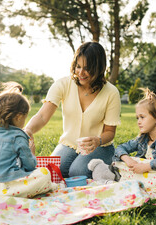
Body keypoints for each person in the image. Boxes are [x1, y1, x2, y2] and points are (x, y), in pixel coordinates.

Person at [24, 42, 121, 178]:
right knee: (51, 172)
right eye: (78, 66)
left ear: (99, 68)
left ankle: (110, 170)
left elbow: (110, 132)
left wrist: (97, 140)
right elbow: (42, 116)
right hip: (69, 144)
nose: (81, 73)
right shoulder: (63, 84)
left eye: (87, 68)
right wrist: (28, 130)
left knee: (78, 172)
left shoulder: (111, 92)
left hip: (100, 146)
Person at [0, 82, 56, 198]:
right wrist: (31, 152)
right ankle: (40, 188)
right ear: (18, 117)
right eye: (25, 118)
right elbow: (30, 165)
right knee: (44, 173)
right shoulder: (18, 136)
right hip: (8, 187)